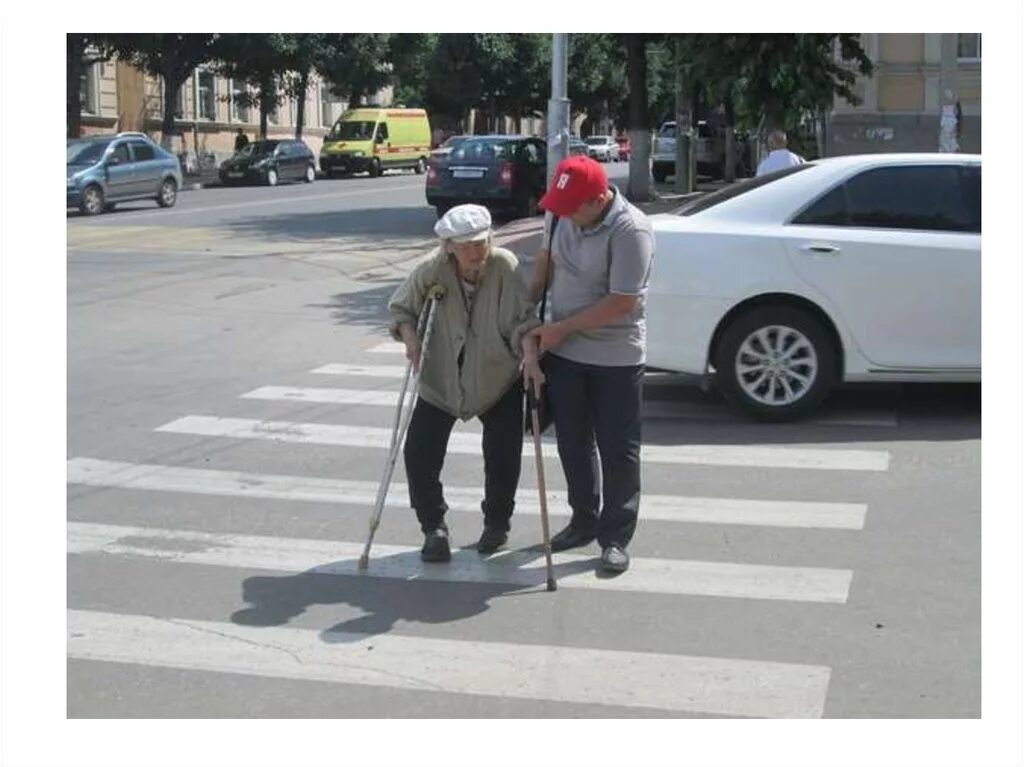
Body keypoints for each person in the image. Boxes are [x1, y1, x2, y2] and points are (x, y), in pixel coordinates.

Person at [388, 204, 545, 563]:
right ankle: (434, 528)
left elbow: (524, 319)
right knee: (419, 453)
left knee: (503, 453)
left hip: (496, 376)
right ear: (449, 247)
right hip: (441, 377)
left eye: (481, 242)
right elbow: (401, 309)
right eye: (467, 245)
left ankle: (497, 524)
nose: (477, 252)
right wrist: (411, 339)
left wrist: (531, 357)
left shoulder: (505, 266)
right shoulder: (432, 269)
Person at [528, 156, 654, 574]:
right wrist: (527, 313)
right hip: (565, 354)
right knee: (572, 442)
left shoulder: (630, 229)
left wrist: (563, 328)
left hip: (615, 357)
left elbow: (622, 302)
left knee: (619, 449)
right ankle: (583, 519)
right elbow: (545, 262)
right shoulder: (560, 213)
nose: (562, 214)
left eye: (571, 208)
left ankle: (615, 536)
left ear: (599, 199)